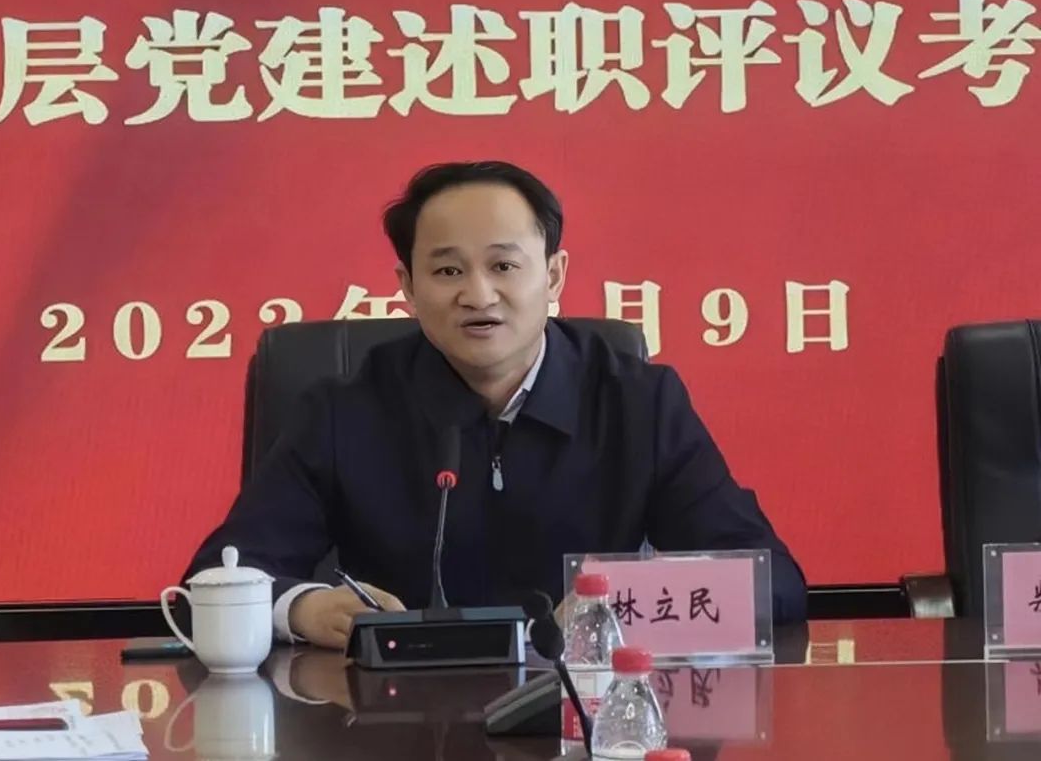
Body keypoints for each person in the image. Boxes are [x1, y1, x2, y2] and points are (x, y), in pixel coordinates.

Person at [181, 160, 807, 649]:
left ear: (553, 276)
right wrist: (303, 608)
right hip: (391, 720)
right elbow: (214, 579)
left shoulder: (639, 402)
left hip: (584, 721)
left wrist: (626, 602)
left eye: (504, 265)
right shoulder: (343, 411)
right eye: (448, 272)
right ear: (407, 288)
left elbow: (773, 582)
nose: (479, 295)